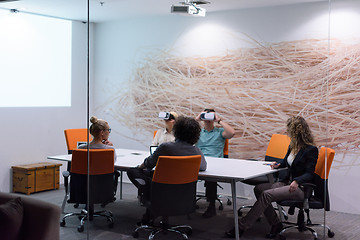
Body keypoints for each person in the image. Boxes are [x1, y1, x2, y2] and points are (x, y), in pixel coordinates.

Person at [225, 116, 318, 238]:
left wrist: (296, 181)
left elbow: (309, 173)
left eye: (289, 130)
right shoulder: (293, 146)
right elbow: (287, 162)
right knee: (258, 189)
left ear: (296, 131)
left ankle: (242, 226)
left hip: (300, 188)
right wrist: (278, 165)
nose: (287, 132)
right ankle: (275, 223)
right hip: (287, 183)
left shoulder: (311, 149)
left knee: (266, 195)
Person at [127, 116, 207, 224]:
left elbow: (148, 164)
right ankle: (153, 206)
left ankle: (150, 200)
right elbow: (203, 167)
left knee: (135, 172)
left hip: (162, 191)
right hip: (183, 195)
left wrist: (139, 167)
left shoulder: (165, 147)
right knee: (153, 175)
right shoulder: (197, 151)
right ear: (195, 135)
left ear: (176, 131)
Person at [195, 109, 236, 218]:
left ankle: (211, 206)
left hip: (215, 162)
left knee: (210, 178)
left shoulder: (220, 132)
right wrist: (197, 119)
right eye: (205, 116)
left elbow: (232, 133)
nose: (207, 119)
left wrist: (219, 120)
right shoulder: (197, 132)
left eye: (210, 116)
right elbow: (184, 133)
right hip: (199, 160)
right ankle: (188, 202)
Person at [78, 116, 120, 199]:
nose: (109, 132)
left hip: (83, 184)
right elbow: (112, 164)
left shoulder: (81, 148)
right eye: (108, 130)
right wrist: (107, 147)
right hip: (102, 184)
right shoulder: (109, 149)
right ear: (102, 132)